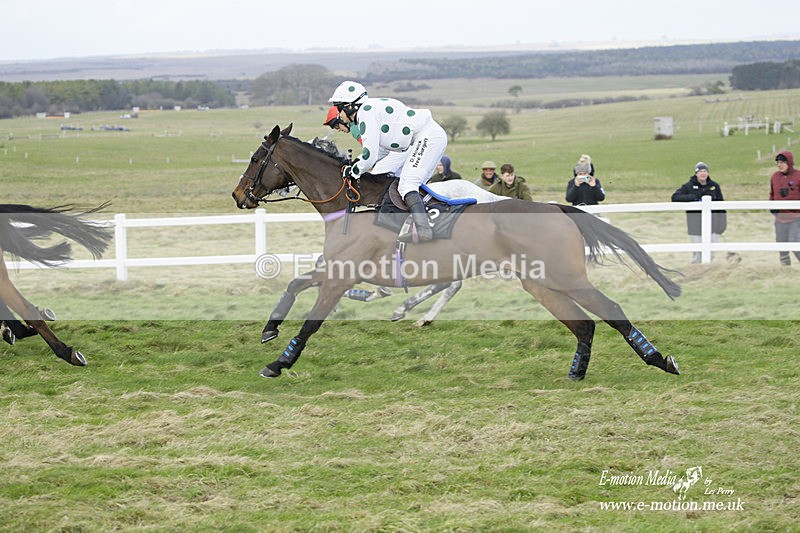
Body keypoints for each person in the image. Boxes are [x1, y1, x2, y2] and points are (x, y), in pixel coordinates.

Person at [325, 80, 447, 242]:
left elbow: (370, 157)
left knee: (407, 185)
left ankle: (424, 229)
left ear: (349, 106)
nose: (339, 115)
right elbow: (380, 151)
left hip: (427, 137)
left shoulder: (365, 114)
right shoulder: (368, 111)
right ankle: (420, 224)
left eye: (339, 109)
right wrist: (357, 164)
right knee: (409, 185)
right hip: (427, 137)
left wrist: (354, 171)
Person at [671, 162, 727, 263]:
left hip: (712, 225)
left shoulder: (714, 186)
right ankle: (695, 273)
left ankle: (707, 274)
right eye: (700, 171)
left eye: (705, 171)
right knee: (698, 254)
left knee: (711, 253)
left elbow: (721, 206)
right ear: (696, 173)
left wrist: (722, 224)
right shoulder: (688, 186)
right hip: (695, 226)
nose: (703, 173)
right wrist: (694, 197)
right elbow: (675, 197)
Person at [769, 150, 800, 265]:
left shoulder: (798, 176)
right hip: (780, 219)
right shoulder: (775, 177)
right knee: (782, 246)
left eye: (782, 162)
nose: (779, 165)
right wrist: (772, 206)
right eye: (778, 162)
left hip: (796, 218)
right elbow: (772, 193)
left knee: (795, 244)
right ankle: (785, 270)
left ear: (789, 162)